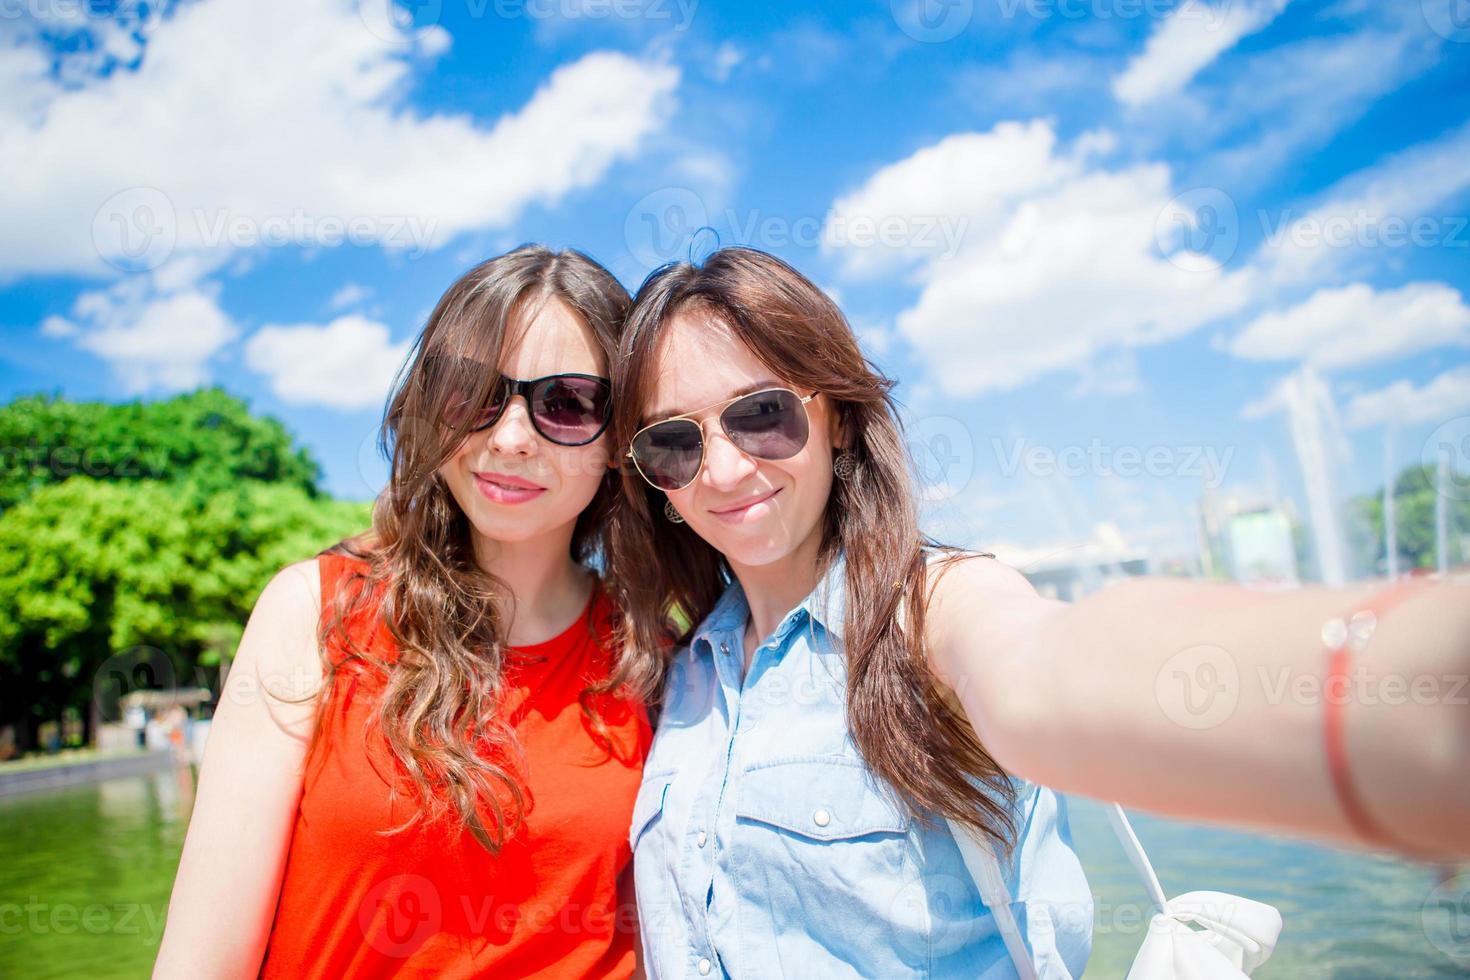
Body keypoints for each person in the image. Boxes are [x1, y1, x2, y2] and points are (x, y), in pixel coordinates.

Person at [605, 245, 1470, 978]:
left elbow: (1047, 671)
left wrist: (1403, 690)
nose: (720, 470)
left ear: (836, 419)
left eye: (761, 415)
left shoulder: (933, 608)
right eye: (674, 441)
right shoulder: (684, 670)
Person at [154, 245, 653, 978]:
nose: (510, 437)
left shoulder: (654, 653)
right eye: (472, 392)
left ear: (618, 440)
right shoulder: (316, 612)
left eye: (568, 404)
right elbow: (202, 961)